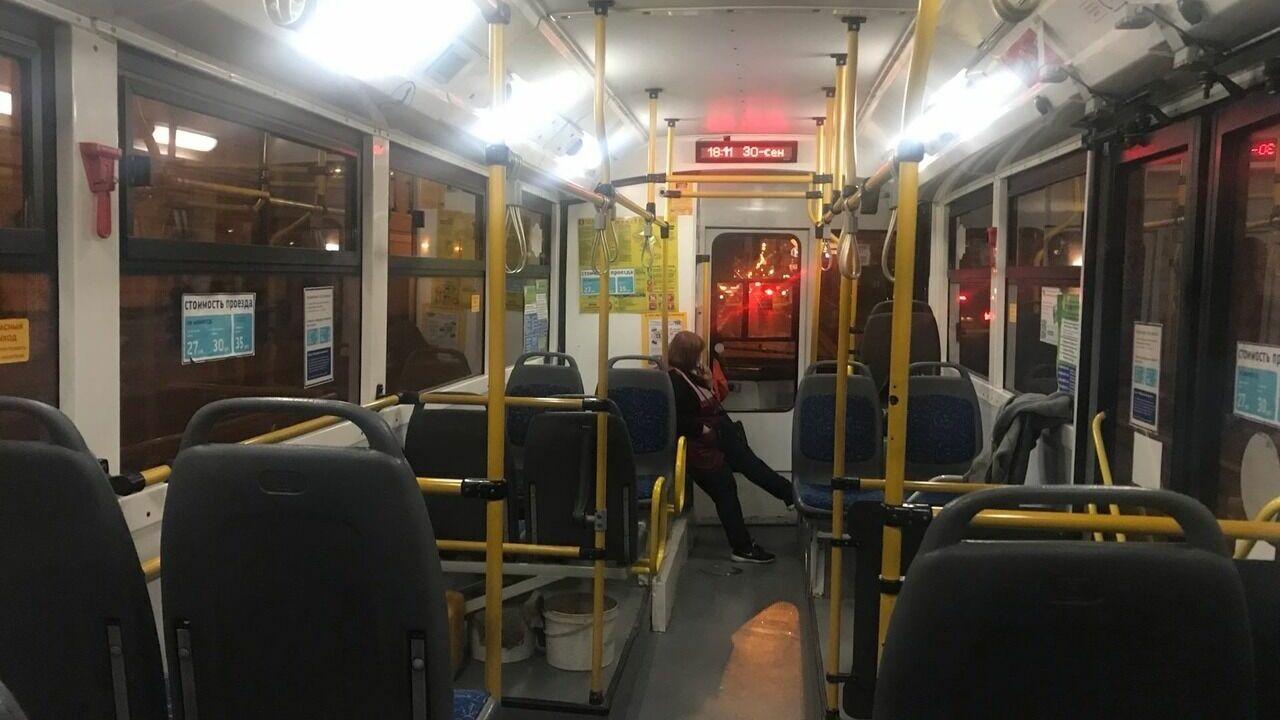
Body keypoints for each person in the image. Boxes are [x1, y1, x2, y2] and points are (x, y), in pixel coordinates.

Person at [667, 331, 793, 564]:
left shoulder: (689, 377)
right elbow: (679, 419)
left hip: (719, 440)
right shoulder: (675, 381)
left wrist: (707, 382)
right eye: (697, 354)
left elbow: (708, 403)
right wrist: (704, 430)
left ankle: (789, 495)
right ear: (688, 355)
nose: (700, 358)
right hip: (702, 448)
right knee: (727, 487)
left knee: (750, 466)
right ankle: (744, 545)